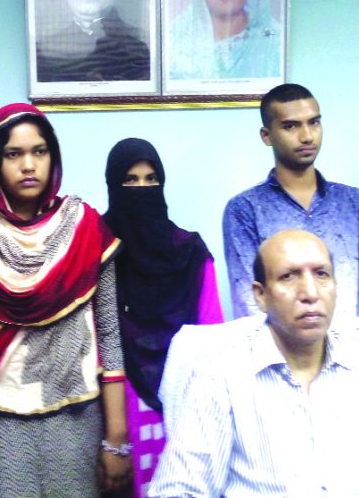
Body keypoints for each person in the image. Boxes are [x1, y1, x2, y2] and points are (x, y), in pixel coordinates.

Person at [149, 230, 359, 496]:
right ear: (260, 295)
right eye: (288, 277)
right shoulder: (221, 377)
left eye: (321, 274)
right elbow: (178, 490)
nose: (310, 292)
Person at [0, 103, 132, 498]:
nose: (28, 165)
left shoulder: (85, 228)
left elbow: (108, 334)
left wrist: (117, 438)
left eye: (39, 151)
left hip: (77, 417)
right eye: (13, 154)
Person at [222, 83, 359, 339]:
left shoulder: (354, 203)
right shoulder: (245, 209)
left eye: (314, 123)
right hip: (279, 362)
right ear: (267, 136)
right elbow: (250, 306)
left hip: (352, 359)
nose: (307, 136)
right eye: (291, 126)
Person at [102, 138, 223, 497]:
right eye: (130, 180)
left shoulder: (190, 252)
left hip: (185, 402)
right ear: (112, 185)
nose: (142, 189)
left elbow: (212, 339)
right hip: (114, 405)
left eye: (151, 179)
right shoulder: (98, 250)